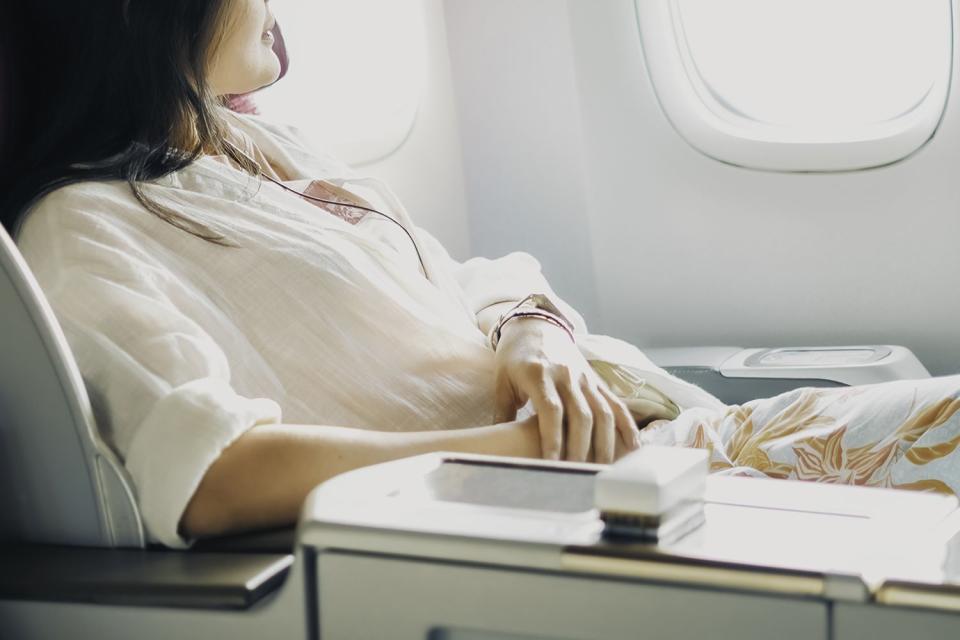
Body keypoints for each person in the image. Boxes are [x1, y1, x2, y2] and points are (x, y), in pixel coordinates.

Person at [3, 1, 959, 550]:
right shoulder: (84, 227)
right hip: (596, 497)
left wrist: (531, 330)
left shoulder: (249, 147)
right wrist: (521, 450)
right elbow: (207, 471)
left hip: (651, 442)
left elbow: (467, 280)